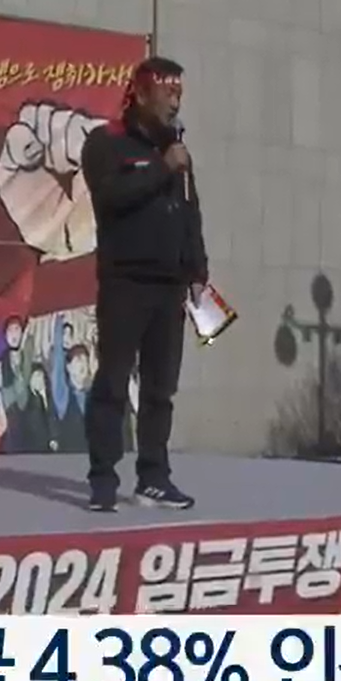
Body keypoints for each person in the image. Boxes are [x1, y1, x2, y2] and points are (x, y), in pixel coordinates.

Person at [77, 55, 207, 512]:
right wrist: (161, 169)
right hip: (125, 283)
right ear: (144, 92)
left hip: (170, 288)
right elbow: (109, 197)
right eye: (168, 93)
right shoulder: (107, 142)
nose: (175, 103)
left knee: (160, 390)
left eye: (180, 94)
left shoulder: (177, 151)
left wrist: (198, 272)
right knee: (113, 383)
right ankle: (102, 479)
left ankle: (154, 477)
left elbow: (190, 213)